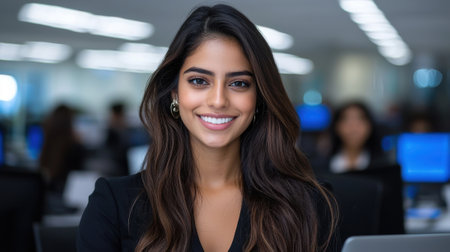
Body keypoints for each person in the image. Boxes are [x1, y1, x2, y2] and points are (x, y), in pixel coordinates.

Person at [77, 4, 337, 252]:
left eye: (239, 84)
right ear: (174, 94)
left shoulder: (308, 203)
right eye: (199, 81)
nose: (218, 101)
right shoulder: (114, 204)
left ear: (259, 98)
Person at [327, 101, 386, 174]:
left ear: (370, 126)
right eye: (346, 121)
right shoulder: (319, 167)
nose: (353, 128)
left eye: (360, 120)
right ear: (336, 126)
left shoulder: (384, 166)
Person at [39, 104, 85, 195]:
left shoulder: (47, 140)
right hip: (68, 194)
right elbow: (79, 175)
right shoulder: (75, 147)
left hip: (47, 193)